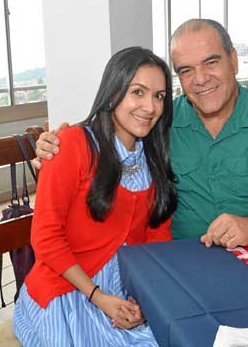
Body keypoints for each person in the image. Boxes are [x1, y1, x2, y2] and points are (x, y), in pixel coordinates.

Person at [34, 19, 248, 250]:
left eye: (211, 62)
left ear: (233, 60)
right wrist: (56, 148)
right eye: (186, 70)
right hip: (180, 259)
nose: (199, 79)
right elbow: (106, 147)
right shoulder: (159, 121)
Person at [13, 46, 177, 347]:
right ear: (113, 92)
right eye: (137, 92)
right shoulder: (72, 145)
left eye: (159, 96)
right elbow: (46, 237)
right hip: (67, 291)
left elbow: (157, 237)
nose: (151, 107)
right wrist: (97, 296)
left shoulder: (152, 157)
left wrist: (141, 299)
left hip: (126, 289)